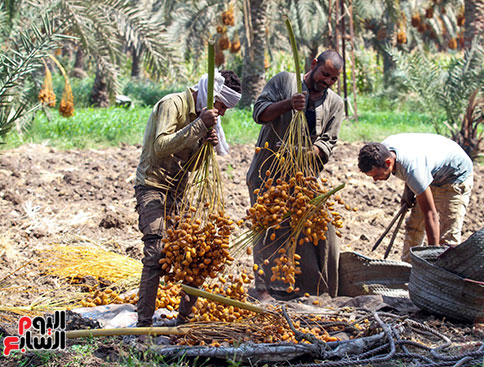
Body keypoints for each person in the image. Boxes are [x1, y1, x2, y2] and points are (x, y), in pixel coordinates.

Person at [134, 70, 241, 327]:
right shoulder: (173, 104)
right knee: (156, 253)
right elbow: (161, 146)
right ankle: (143, 325)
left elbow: (192, 166)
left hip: (178, 192)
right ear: (209, 93)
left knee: (198, 252)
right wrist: (198, 126)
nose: (222, 113)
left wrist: (206, 145)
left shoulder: (206, 118)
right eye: (221, 105)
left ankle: (184, 321)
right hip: (153, 186)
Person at [246, 50, 345, 302]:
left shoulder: (335, 103)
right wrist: (288, 104)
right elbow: (260, 114)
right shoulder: (284, 81)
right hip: (268, 174)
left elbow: (327, 144)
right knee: (269, 228)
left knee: (321, 230)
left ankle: (313, 289)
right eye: (324, 75)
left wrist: (300, 153)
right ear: (314, 65)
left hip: (303, 178)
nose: (327, 82)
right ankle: (266, 289)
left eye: (333, 79)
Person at [357, 133, 474, 263]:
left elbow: (431, 214)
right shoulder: (383, 151)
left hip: (455, 177)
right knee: (414, 227)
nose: (375, 180)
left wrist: (432, 255)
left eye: (377, 175)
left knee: (447, 240)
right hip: (429, 172)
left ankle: (442, 276)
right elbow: (413, 164)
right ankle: (408, 270)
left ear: (388, 162)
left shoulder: (414, 170)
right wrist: (408, 190)